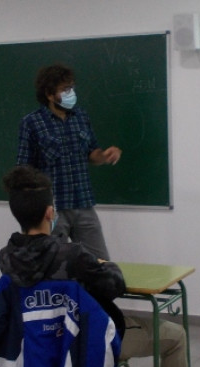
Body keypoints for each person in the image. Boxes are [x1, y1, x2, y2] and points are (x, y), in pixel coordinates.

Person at [0, 165, 200, 367]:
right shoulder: (73, 256)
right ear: (50, 212)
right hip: (87, 346)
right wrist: (102, 264)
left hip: (38, 351)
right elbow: (115, 286)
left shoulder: (5, 258)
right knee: (175, 336)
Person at [16, 63, 121, 261]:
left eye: (72, 88)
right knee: (54, 265)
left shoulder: (80, 117)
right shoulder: (32, 123)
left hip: (83, 203)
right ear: (49, 94)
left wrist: (105, 156)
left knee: (101, 264)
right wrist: (34, 208)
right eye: (65, 89)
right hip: (52, 210)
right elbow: (23, 168)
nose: (71, 93)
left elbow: (92, 153)